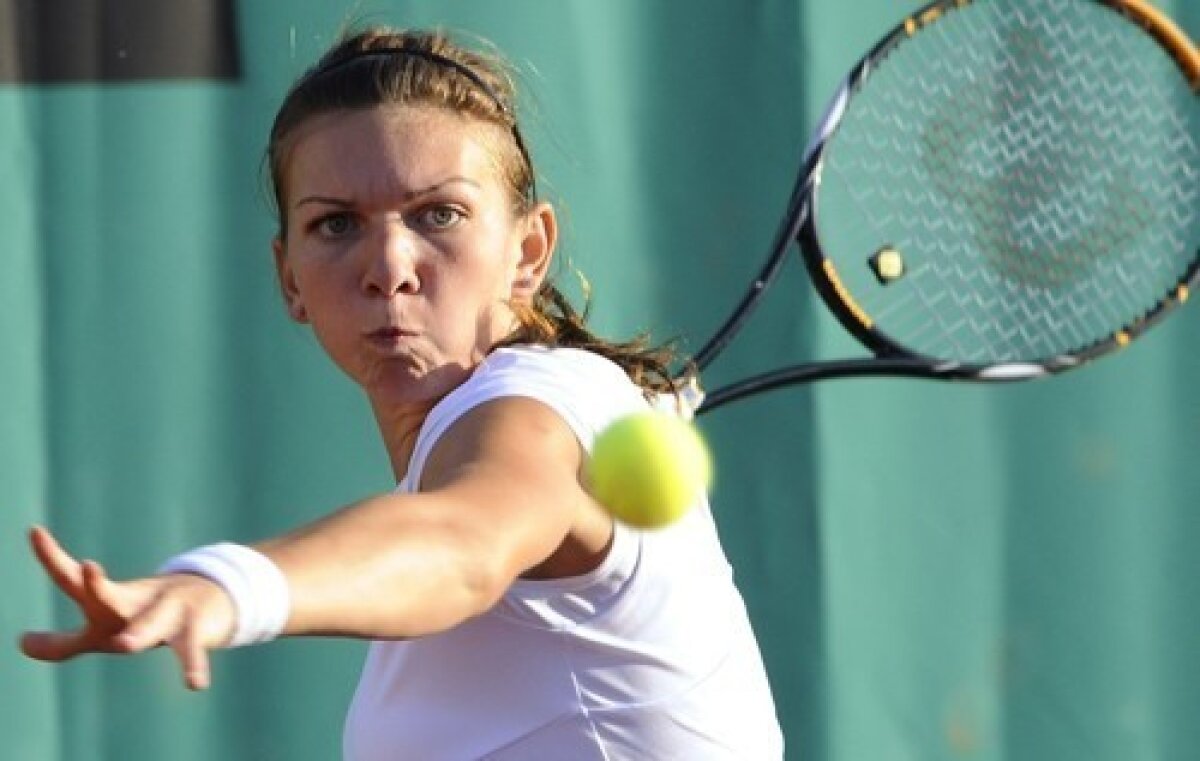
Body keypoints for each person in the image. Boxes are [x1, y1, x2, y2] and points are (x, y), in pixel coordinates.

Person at [20, 27, 784, 760]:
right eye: (336, 225)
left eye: (438, 215)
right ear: (290, 278)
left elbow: (464, 541)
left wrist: (232, 587)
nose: (389, 265)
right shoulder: (539, 416)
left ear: (528, 252)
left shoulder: (542, 405)